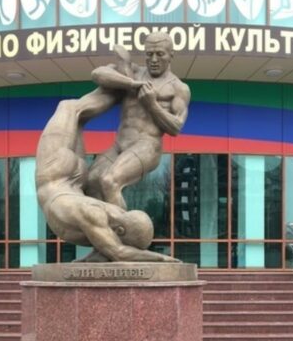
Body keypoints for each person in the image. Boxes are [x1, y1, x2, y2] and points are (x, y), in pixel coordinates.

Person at [35, 94, 179, 263]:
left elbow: (110, 249)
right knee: (69, 108)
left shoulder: (110, 213)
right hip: (56, 177)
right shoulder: (97, 215)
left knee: (73, 111)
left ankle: (116, 90)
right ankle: (118, 89)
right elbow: (118, 253)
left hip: (64, 178)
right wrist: (161, 258)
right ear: (119, 231)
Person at [84, 31, 191, 210]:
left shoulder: (178, 88)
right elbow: (98, 74)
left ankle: (125, 227)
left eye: (160, 54)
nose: (154, 59)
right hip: (120, 144)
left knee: (109, 181)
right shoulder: (134, 73)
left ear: (171, 55)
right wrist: (131, 84)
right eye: (149, 54)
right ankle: (101, 225)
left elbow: (176, 127)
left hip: (146, 146)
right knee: (91, 182)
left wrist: (152, 105)